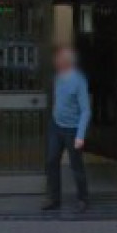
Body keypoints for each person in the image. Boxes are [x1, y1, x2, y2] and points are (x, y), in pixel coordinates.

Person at [43, 45, 91, 213]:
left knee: (76, 165)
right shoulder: (58, 77)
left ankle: (83, 199)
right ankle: (54, 199)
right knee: (51, 161)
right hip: (56, 126)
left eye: (61, 59)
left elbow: (85, 110)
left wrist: (80, 135)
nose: (57, 62)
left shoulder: (79, 81)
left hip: (73, 129)